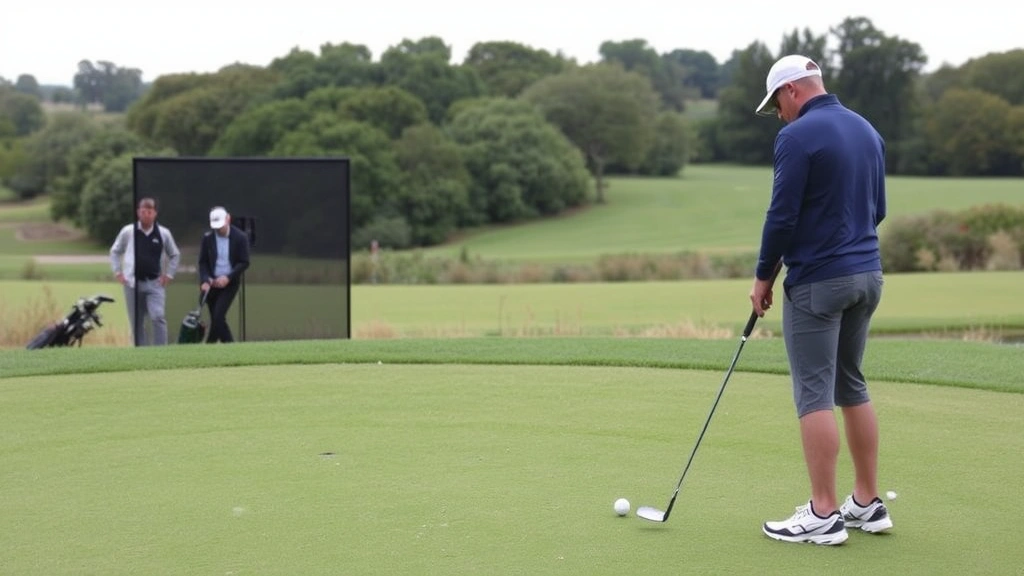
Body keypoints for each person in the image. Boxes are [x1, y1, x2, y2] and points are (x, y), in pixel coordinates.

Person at [750, 55, 890, 546]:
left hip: (818, 282)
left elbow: (782, 216)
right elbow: (878, 209)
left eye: (777, 105)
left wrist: (763, 276)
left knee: (814, 392)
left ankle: (823, 512)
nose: (779, 116)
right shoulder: (867, 129)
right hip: (868, 275)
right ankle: (867, 502)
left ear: (791, 90)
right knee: (851, 383)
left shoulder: (796, 136)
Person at [110, 197, 181, 346]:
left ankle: (160, 351)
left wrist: (169, 275)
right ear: (138, 212)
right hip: (131, 284)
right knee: (136, 322)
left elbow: (175, 254)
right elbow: (115, 251)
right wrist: (118, 272)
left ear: (155, 213)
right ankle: (142, 353)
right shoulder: (128, 231)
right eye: (143, 212)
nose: (146, 215)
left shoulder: (164, 233)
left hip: (155, 283)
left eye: (149, 212)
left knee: (158, 316)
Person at [198, 206, 250, 343]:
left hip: (230, 284)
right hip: (211, 285)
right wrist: (205, 279)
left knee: (218, 317)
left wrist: (228, 277)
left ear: (228, 219)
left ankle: (213, 347)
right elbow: (203, 262)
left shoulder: (240, 238)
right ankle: (223, 348)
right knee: (217, 320)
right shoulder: (207, 238)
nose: (218, 229)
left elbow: (244, 262)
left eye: (220, 226)